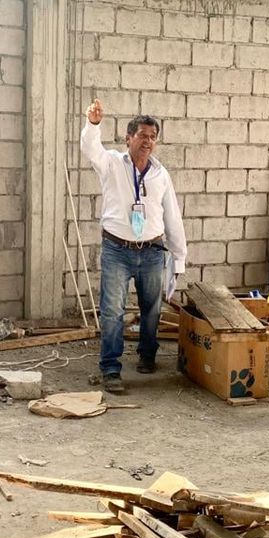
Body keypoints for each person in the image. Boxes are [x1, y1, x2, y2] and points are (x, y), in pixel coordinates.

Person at [80, 99, 187, 393]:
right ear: (128, 138)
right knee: (112, 310)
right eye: (142, 135)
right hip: (117, 250)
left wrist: (179, 257)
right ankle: (111, 368)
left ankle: (147, 355)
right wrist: (93, 124)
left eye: (152, 137)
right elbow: (90, 148)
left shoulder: (160, 174)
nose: (147, 141)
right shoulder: (112, 164)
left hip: (152, 251)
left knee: (151, 309)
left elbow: (172, 216)